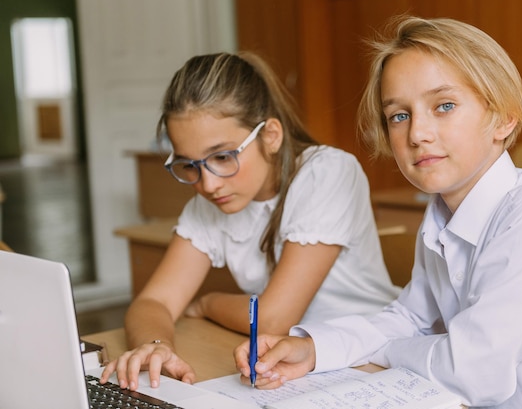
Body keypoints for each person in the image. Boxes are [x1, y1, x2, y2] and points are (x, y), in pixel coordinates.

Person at [234, 16, 522, 407]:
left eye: (444, 106)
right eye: (399, 116)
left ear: (504, 118)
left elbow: (472, 370)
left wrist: (386, 352)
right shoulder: (442, 214)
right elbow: (409, 319)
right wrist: (314, 348)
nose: (417, 133)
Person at [100, 52, 401, 391]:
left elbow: (273, 318)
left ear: (270, 135)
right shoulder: (211, 201)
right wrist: (156, 346)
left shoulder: (327, 173)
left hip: (369, 358)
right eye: (190, 165)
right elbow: (153, 302)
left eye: (223, 156)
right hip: (291, 363)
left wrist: (206, 302)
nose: (208, 184)